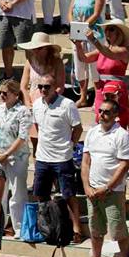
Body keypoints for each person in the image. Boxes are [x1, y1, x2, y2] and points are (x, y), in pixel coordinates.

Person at [76, 96, 129, 257]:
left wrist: (107, 188)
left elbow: (124, 165)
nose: (102, 115)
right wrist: (86, 186)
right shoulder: (92, 132)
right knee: (95, 229)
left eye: (107, 112)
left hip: (112, 192)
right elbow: (85, 162)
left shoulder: (122, 135)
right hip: (92, 190)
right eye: (100, 111)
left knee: (118, 230)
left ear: (116, 115)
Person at [31, 73, 82, 240]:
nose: (43, 90)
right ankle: (48, 226)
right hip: (43, 157)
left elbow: (78, 128)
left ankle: (76, 228)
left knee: (68, 194)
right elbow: (39, 128)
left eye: (47, 87)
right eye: (40, 87)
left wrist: (70, 146)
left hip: (62, 157)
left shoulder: (67, 105)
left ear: (56, 88)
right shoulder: (37, 104)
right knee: (40, 193)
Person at [0, 80, 29, 238]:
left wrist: (7, 153)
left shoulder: (23, 111)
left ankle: (19, 226)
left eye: (5, 93)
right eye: (0, 92)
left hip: (17, 157)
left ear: (15, 94)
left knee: (17, 192)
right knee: (0, 193)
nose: (2, 95)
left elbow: (22, 137)